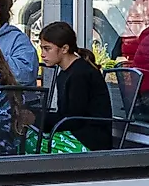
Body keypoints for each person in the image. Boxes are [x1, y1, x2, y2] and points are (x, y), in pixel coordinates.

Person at [38, 21, 112, 151]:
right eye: (42, 48)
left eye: (47, 48)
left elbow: (73, 119)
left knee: (32, 144)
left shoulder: (80, 74)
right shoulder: (65, 73)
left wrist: (37, 119)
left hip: (90, 140)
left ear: (64, 49)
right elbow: (66, 115)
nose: (42, 54)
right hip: (76, 134)